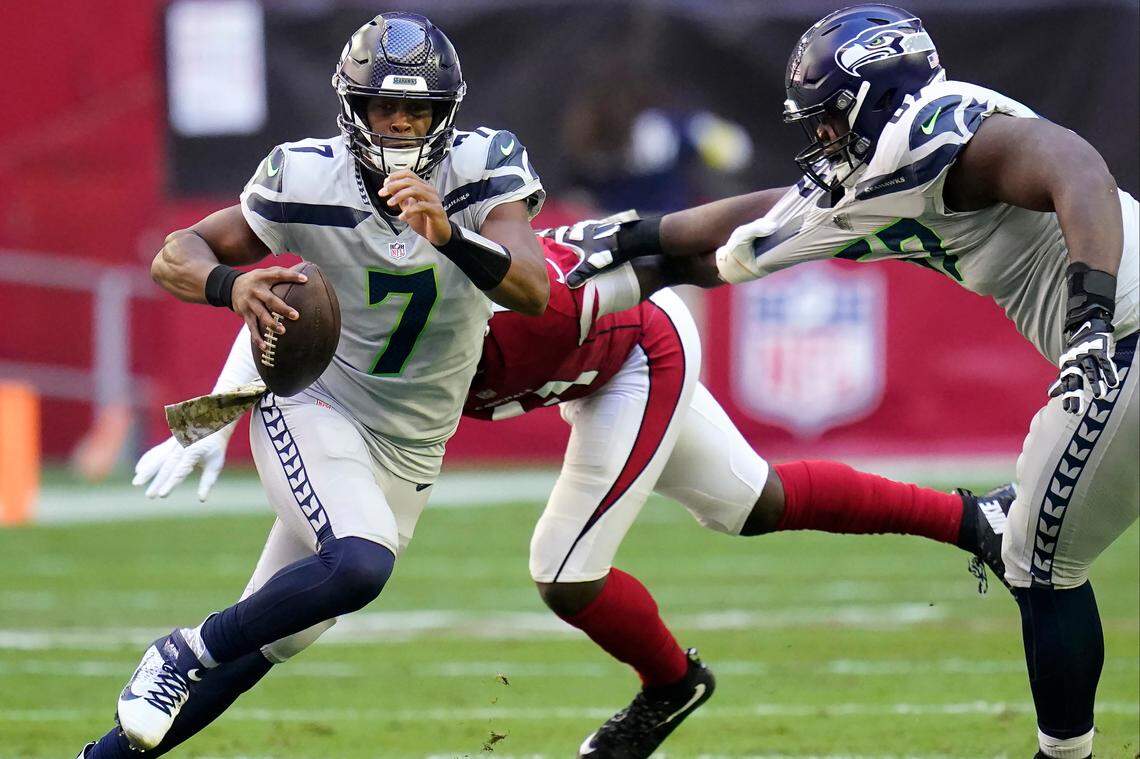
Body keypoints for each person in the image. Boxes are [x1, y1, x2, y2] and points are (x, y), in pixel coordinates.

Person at [132, 217, 1013, 758]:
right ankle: (975, 521)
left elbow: (652, 263)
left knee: (564, 567)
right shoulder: (388, 306)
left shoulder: (537, 302)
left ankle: (669, 685)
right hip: (581, 370)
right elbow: (296, 317)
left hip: (636, 354)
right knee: (754, 501)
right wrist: (212, 414)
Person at [570, 7, 1139, 759]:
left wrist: (1090, 317)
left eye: (831, 118)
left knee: (1041, 562)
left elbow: (1078, 166)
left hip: (1125, 335)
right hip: (1121, 339)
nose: (823, 137)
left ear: (878, 97)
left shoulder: (935, 130)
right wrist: (630, 236)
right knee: (1035, 547)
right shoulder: (876, 174)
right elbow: (752, 225)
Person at [77, 12, 549, 757]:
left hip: (412, 448)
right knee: (360, 562)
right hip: (319, 404)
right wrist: (231, 285)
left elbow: (532, 289)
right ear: (352, 107)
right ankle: (180, 650)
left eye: (417, 108)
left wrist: (452, 233)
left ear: (446, 113)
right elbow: (177, 253)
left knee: (268, 639)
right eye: (384, 107)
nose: (400, 124)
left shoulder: (482, 167)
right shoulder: (305, 175)